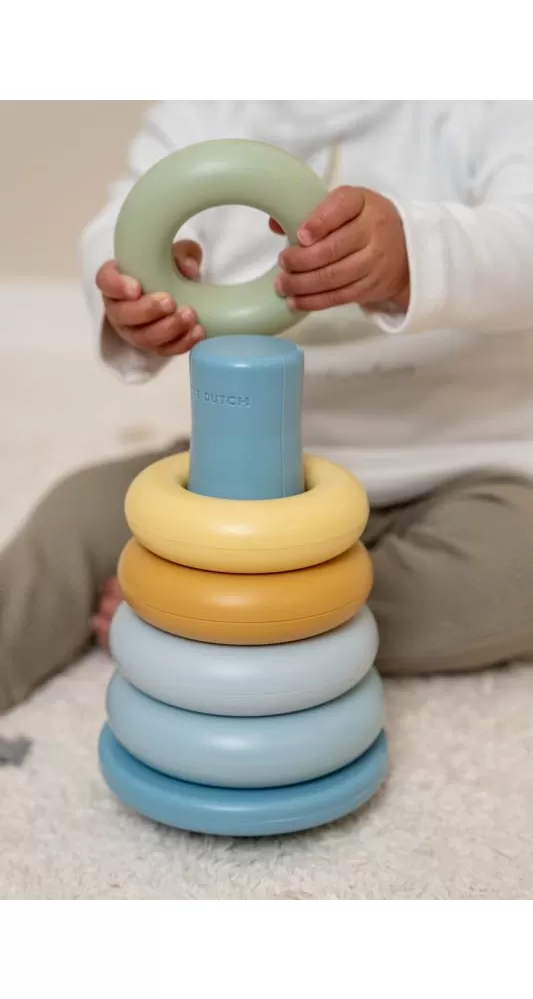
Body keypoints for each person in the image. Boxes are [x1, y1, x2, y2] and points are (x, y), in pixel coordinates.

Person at [3, 99, 533, 715]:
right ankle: (255, 620)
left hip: (463, 466)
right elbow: (131, 212)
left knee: (515, 571)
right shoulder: (208, 104)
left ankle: (218, 623)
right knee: (76, 518)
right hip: (250, 468)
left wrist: (414, 255)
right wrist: (134, 291)